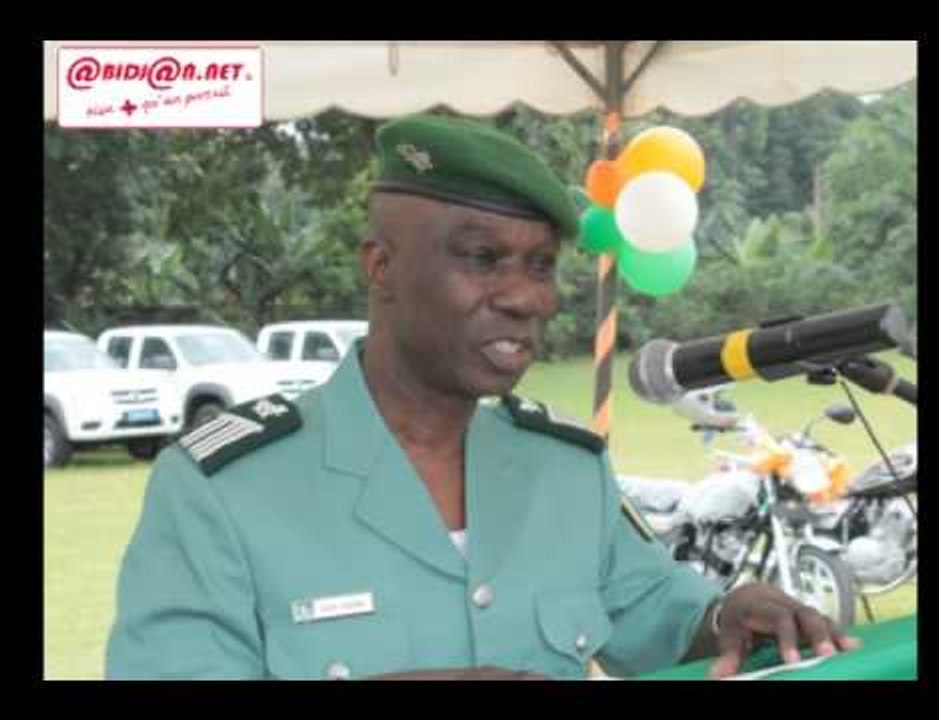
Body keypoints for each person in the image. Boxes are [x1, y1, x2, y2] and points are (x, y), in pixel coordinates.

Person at [105, 114, 859, 680]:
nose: (526, 298)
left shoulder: (564, 471)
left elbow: (656, 617)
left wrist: (731, 615)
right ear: (382, 268)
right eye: (483, 259)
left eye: (539, 266)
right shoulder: (226, 490)